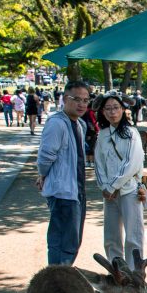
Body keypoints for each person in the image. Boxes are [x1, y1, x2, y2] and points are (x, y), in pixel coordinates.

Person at [36, 80, 90, 265]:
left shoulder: (80, 124)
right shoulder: (57, 123)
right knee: (61, 241)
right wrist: (43, 174)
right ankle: (56, 276)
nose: (82, 104)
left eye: (85, 100)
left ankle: (61, 274)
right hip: (62, 192)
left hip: (77, 190)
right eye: (77, 99)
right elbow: (45, 156)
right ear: (66, 99)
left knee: (73, 241)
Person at [93, 92, 146, 268]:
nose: (112, 112)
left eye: (116, 107)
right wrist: (104, 186)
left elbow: (132, 163)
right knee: (111, 236)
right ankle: (116, 270)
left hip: (129, 190)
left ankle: (134, 272)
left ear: (123, 109)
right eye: (107, 108)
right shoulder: (102, 135)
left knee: (133, 235)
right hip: (109, 194)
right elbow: (99, 163)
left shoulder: (132, 133)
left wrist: (113, 185)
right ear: (102, 112)